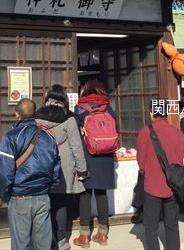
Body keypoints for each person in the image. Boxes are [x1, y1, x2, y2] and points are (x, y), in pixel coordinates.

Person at [0, 98, 61, 250]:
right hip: (42, 195)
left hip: (20, 197)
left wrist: (5, 194)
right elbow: (56, 167)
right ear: (34, 114)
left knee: (21, 244)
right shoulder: (48, 136)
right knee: (43, 243)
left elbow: (3, 173)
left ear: (16, 114)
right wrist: (48, 188)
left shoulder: (11, 137)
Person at [36, 85, 88, 250]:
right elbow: (77, 147)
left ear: (47, 98)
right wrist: (82, 170)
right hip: (63, 170)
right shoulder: (69, 119)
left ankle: (45, 240)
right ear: (64, 100)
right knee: (60, 204)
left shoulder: (37, 117)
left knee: (45, 204)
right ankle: (61, 241)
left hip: (41, 166)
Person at [73, 79, 117, 248]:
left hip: (86, 156)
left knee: (84, 195)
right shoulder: (109, 108)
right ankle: (103, 234)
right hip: (105, 156)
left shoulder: (79, 110)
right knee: (101, 194)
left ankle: (84, 237)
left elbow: (76, 137)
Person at [137, 98, 184, 250]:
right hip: (174, 185)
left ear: (151, 113)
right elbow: (180, 159)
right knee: (172, 225)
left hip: (152, 185)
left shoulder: (145, 132)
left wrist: (145, 171)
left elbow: (141, 162)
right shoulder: (178, 133)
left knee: (151, 226)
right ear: (166, 113)